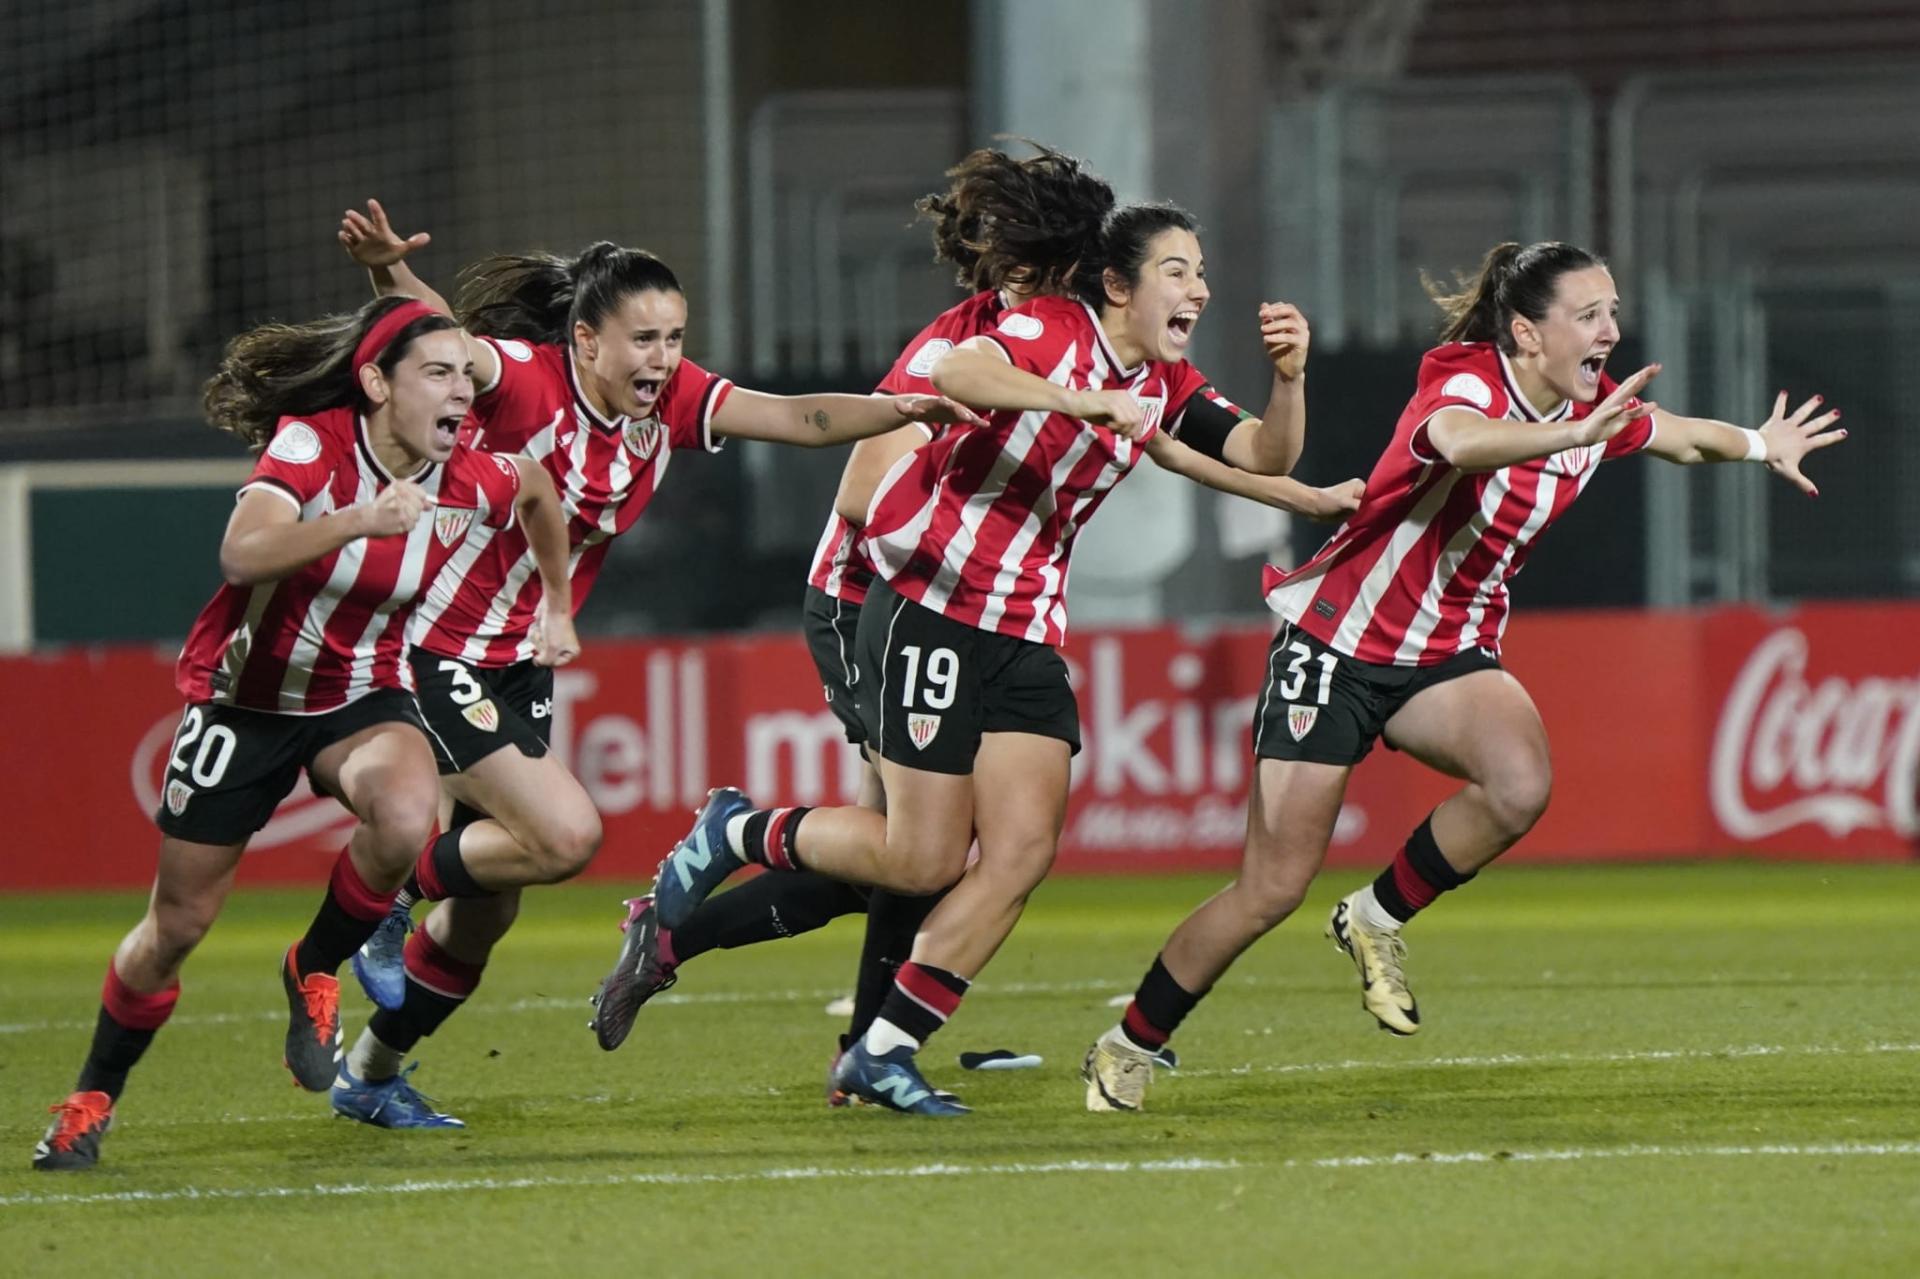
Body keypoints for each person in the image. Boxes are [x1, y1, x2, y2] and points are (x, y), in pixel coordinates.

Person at [588, 150, 1363, 1089]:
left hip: (1012, 621)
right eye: (1176, 270)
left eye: (1199, 273)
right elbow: (884, 482)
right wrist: (1042, 443)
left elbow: (1238, 451)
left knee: (971, 855)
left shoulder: (1146, 372)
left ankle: (866, 1041)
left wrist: (1289, 398)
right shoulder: (1012, 335)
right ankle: (752, 893)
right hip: (882, 594)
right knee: (913, 857)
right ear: (1103, 276)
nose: (1198, 288)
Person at [1080, 239, 1847, 1112]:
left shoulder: (1595, 408)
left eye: (1612, 311)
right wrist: (1572, 431)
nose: (1611, 330)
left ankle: (1374, 916)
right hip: (1337, 645)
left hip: (1443, 653)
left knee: (1519, 784)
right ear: (1526, 331)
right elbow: (1459, 439)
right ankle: (1126, 1044)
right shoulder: (1470, 384)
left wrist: (1757, 442)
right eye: (1589, 314)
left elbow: (1681, 439)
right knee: (1271, 887)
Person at [327, 206, 984, 1122]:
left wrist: (902, 406)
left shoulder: (671, 402)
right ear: (587, 340)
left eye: (674, 338)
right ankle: (380, 894)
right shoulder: (521, 380)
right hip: (428, 645)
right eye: (643, 339)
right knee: (561, 839)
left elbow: (798, 417)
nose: (663, 357)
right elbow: (440, 344)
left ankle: (369, 1073)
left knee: (487, 910)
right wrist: (384, 277)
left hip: (519, 660)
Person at [30, 297, 578, 1169]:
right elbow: (242, 556)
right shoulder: (312, 443)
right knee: (175, 927)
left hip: (363, 697)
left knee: (405, 817)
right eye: (436, 374)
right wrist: (361, 519)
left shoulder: (475, 475)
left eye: (464, 378)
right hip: (243, 707)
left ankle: (314, 966)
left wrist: (554, 600)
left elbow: (542, 490)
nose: (459, 395)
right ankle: (92, 1094)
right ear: (374, 383)